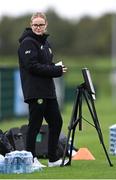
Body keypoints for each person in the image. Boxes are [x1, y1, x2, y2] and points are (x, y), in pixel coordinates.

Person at [18, 12, 68, 167]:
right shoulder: (27, 42)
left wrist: (57, 68)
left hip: (48, 91)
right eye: (35, 25)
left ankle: (53, 158)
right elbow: (32, 67)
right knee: (35, 125)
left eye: (41, 25)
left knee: (56, 122)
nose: (38, 27)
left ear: (46, 25)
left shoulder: (46, 44)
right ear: (31, 25)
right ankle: (31, 159)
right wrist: (55, 71)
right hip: (35, 91)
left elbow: (46, 65)